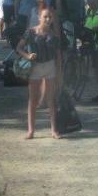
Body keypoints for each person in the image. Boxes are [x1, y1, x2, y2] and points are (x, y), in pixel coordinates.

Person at [16, 9, 63, 139]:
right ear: (39, 17)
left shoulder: (54, 35)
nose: (48, 19)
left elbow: (58, 55)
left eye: (50, 17)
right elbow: (19, 48)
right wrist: (27, 56)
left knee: (51, 100)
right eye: (45, 17)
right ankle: (31, 131)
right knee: (33, 100)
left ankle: (54, 130)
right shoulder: (31, 32)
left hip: (49, 66)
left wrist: (59, 72)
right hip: (35, 67)